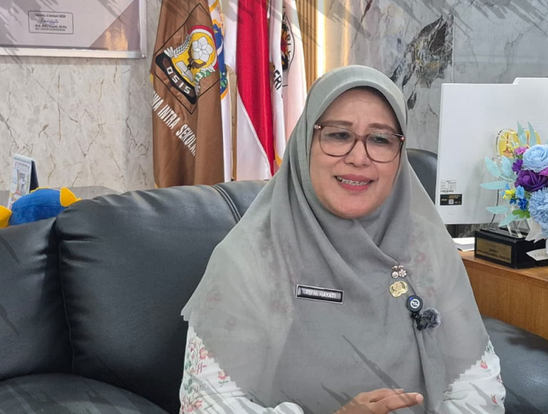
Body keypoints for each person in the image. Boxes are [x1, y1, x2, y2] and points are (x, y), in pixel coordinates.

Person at [179, 65, 505, 414]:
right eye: (338, 135)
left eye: (380, 139)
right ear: (305, 143)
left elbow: (479, 387)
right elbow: (208, 405)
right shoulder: (253, 257)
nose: (358, 157)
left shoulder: (426, 248)